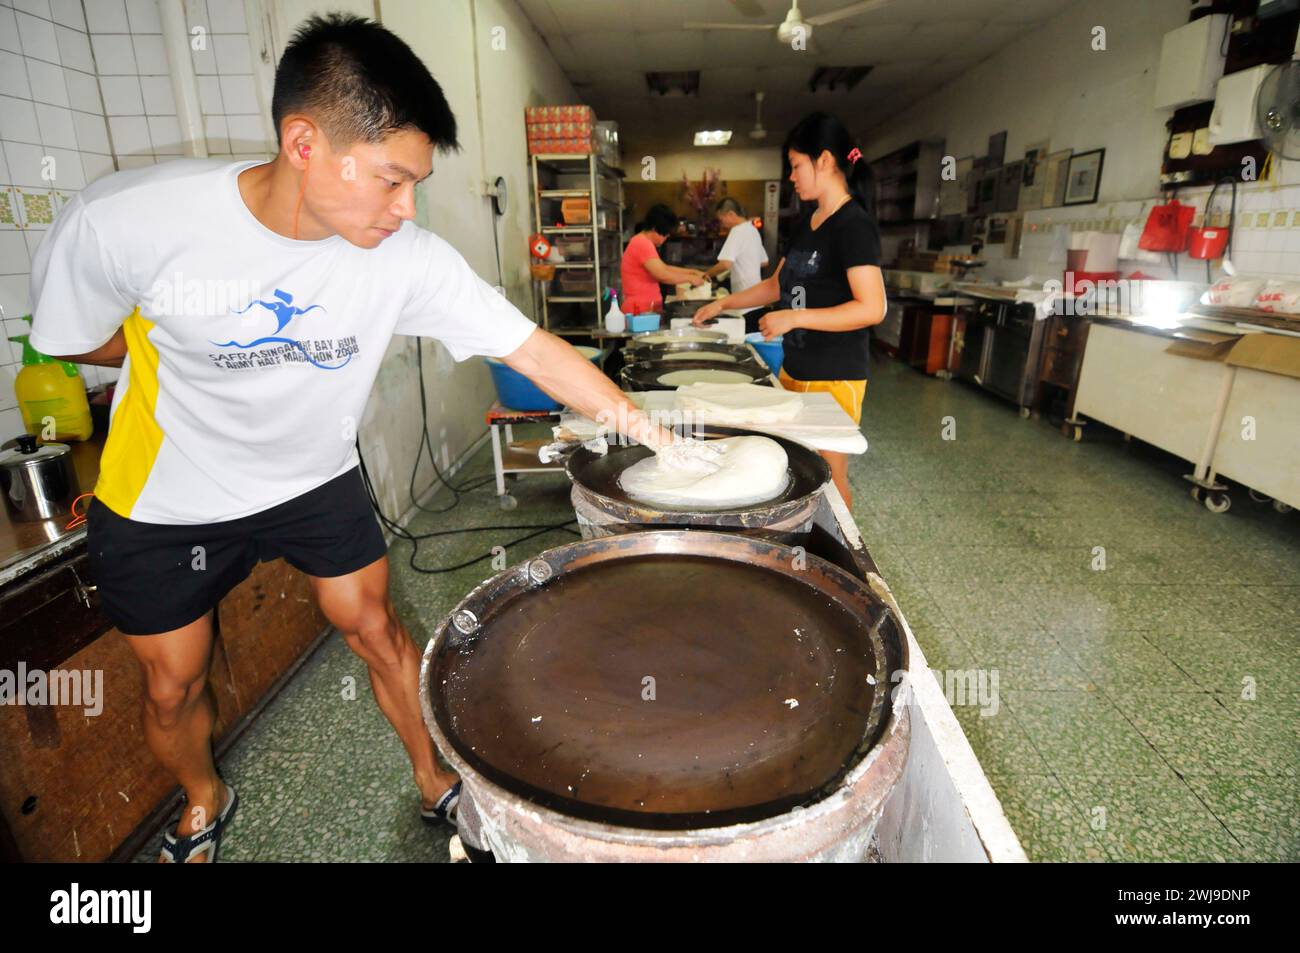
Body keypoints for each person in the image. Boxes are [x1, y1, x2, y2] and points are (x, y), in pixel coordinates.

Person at [27, 13, 703, 863]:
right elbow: (70, 336)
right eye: (391, 179)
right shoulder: (130, 220)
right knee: (172, 685)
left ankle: (433, 780)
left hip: (311, 476)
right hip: (167, 493)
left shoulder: (404, 257)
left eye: (415, 182)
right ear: (303, 143)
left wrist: (654, 434)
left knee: (375, 629)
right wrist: (165, 349)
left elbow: (533, 348)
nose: (406, 207)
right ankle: (204, 797)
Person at [693, 112, 886, 508]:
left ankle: (839, 562)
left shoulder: (853, 226)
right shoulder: (808, 222)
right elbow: (774, 285)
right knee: (802, 469)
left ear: (826, 161)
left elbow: (872, 308)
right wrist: (721, 304)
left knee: (830, 476)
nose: (792, 177)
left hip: (835, 376)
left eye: (797, 165)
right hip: (795, 368)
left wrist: (795, 316)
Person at [619, 203, 707, 312]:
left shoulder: (643, 242)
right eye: (665, 234)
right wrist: (690, 278)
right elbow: (663, 275)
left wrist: (692, 272)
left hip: (645, 308)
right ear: (655, 228)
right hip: (640, 310)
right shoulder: (641, 243)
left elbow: (664, 268)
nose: (666, 237)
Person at [702, 197, 768, 312]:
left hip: (744, 298)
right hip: (757, 297)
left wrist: (706, 275)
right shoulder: (752, 229)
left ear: (731, 214)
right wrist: (740, 264)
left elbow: (725, 264)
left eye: (721, 220)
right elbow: (764, 262)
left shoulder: (737, 231)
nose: (722, 224)